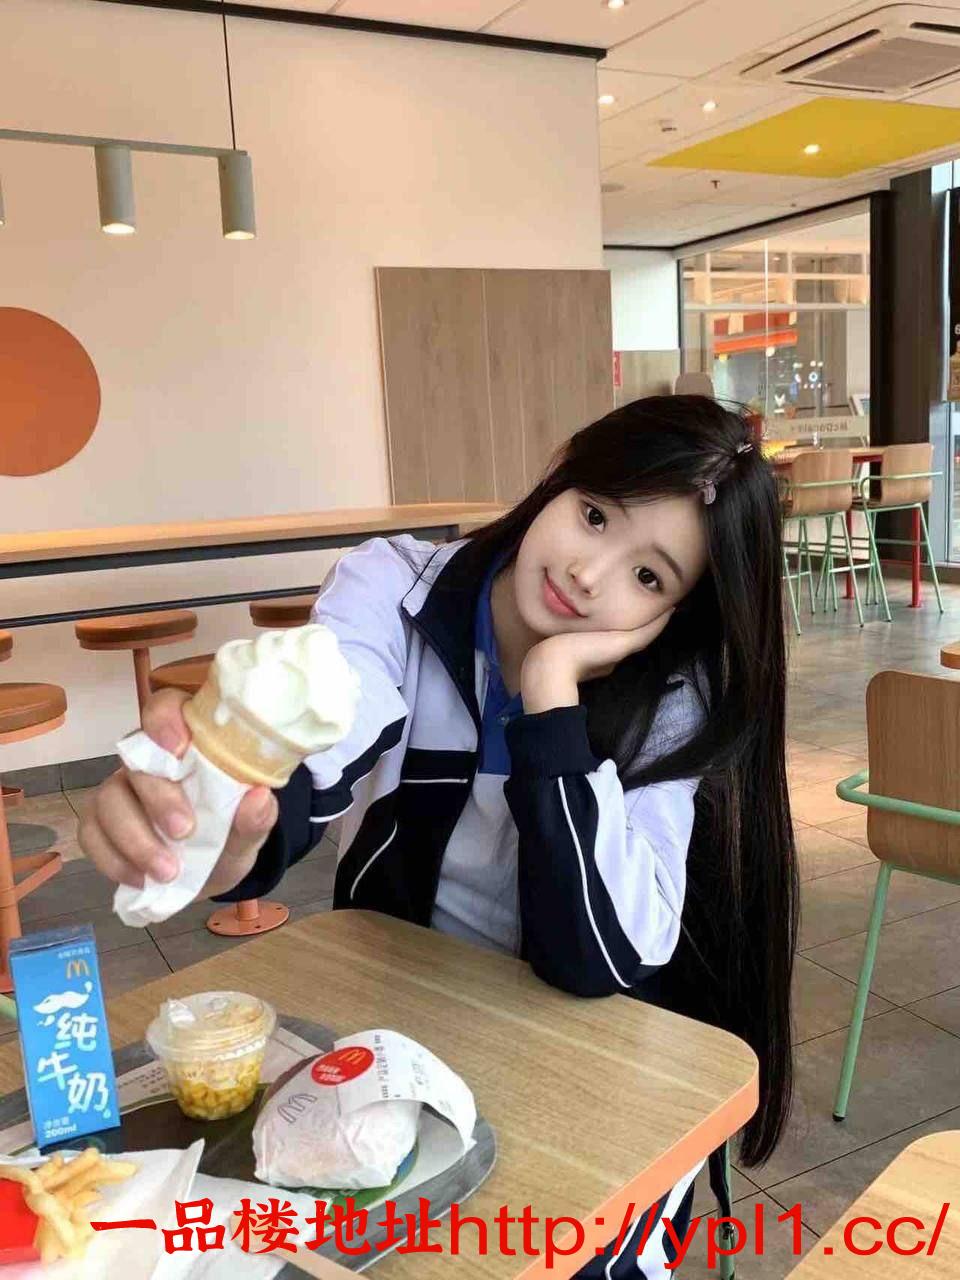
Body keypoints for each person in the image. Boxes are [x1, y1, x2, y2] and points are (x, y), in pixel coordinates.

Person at [79, 395, 798, 1277]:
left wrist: (551, 691)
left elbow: (597, 957)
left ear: (677, 613)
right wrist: (222, 816)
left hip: (592, 1063)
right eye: (595, 514)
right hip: (399, 1034)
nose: (588, 574)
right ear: (560, 478)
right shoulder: (396, 589)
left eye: (648, 577)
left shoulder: (670, 700)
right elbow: (324, 734)